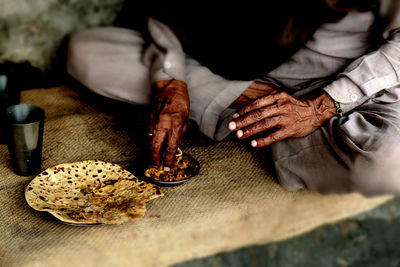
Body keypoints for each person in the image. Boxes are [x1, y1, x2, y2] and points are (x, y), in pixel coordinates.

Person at [67, 0, 400, 196]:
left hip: (339, 97)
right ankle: (247, 106)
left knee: (388, 165)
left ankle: (274, 130)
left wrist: (319, 107)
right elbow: (170, 11)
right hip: (231, 77)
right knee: (87, 51)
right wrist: (173, 81)